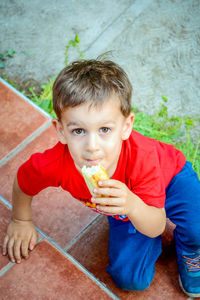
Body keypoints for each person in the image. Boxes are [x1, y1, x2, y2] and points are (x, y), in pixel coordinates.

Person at [2, 59, 200, 297]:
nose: (91, 147)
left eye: (104, 129)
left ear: (127, 126)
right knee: (130, 280)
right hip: (126, 207)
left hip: (172, 179)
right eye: (78, 131)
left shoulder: (143, 158)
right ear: (60, 130)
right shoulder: (54, 164)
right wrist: (21, 219)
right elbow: (24, 181)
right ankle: (144, 241)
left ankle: (191, 248)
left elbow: (157, 225)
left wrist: (133, 205)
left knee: (196, 228)